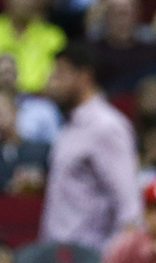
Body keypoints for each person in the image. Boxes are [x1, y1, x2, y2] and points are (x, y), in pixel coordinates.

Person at [40, 42, 143, 253]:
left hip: (90, 253)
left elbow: (129, 206)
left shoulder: (106, 126)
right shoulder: (69, 125)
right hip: (60, 251)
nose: (52, 82)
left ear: (84, 77)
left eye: (60, 74)